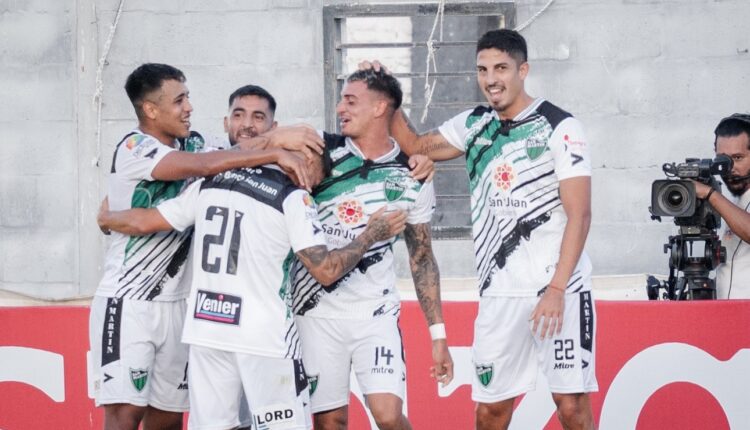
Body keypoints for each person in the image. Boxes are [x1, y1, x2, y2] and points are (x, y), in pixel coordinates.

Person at [368, 28, 597, 430]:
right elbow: (415, 146)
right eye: (483, 70)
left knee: (571, 405)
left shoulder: (560, 126)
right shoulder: (474, 123)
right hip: (499, 293)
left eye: (501, 68)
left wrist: (557, 290)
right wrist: (389, 93)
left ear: (523, 70)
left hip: (559, 290)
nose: (491, 79)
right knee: (491, 411)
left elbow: (580, 216)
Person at [98, 149, 408, 429]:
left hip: (208, 330)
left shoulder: (212, 183)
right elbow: (326, 271)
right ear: (302, 162)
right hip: (265, 338)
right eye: (316, 176)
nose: (314, 187)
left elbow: (146, 222)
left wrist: (108, 218)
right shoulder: (292, 198)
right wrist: (370, 236)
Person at [89, 63, 322, 430]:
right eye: (179, 100)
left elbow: (238, 148)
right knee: (124, 416)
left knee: (168, 419)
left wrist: (280, 139)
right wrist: (276, 148)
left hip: (183, 305)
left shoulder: (194, 141)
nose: (189, 107)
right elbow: (206, 164)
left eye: (188, 98)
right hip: (130, 300)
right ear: (151, 110)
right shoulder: (134, 146)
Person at [290, 69, 454, 430]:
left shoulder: (413, 174)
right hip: (316, 313)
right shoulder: (320, 152)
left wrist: (438, 336)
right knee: (330, 422)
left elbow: (422, 258)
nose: (340, 108)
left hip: (375, 315)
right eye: (341, 100)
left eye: (351, 101)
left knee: (389, 415)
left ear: (381, 107)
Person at [693, 113, 750, 299]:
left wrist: (710, 194)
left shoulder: (720, 200)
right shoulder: (737, 202)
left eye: (738, 158)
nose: (730, 168)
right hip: (731, 314)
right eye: (723, 160)